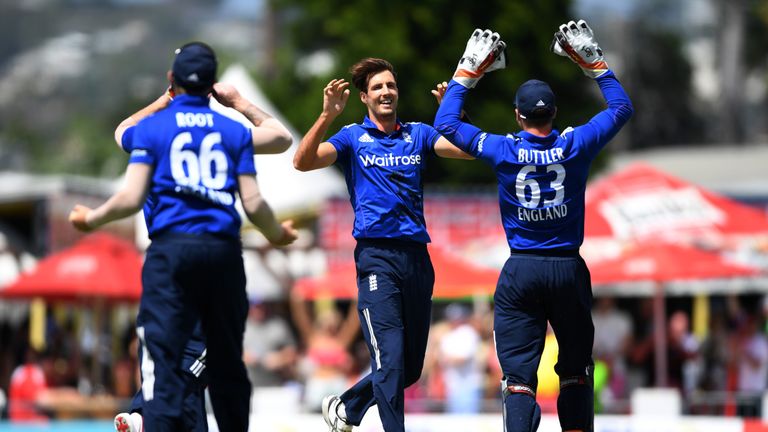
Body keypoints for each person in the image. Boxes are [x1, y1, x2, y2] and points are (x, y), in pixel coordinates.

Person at [69, 41, 298, 432]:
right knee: (225, 362)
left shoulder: (152, 131)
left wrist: (93, 218)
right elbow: (277, 144)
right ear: (213, 85)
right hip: (222, 252)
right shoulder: (231, 131)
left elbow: (127, 174)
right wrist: (239, 101)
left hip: (171, 252)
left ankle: (146, 415)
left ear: (172, 80)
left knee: (163, 356)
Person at [434, 22, 633, 432]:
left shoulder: (504, 148)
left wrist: (466, 73)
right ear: (555, 113)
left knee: (519, 380)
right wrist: (596, 65)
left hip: (522, 268)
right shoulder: (576, 144)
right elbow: (621, 108)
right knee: (575, 371)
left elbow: (447, 124)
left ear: (518, 116)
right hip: (567, 268)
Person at [293, 57, 471, 432]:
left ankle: (348, 405)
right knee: (389, 362)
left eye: (390, 85)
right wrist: (327, 115)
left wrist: (454, 117)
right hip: (377, 258)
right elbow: (302, 162)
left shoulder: (420, 133)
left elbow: (470, 152)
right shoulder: (351, 138)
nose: (386, 92)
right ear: (364, 97)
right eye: (377, 88)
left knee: (407, 371)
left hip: (418, 260)